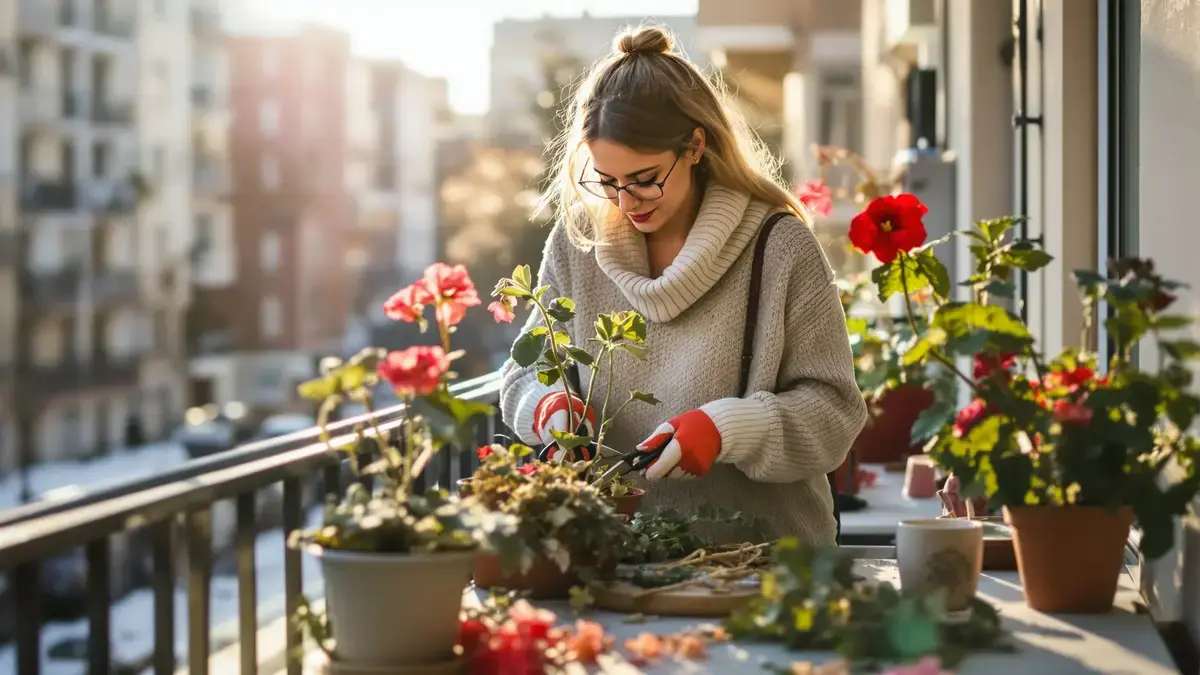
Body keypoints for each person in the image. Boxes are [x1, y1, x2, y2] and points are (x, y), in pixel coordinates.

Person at [498, 25, 867, 545]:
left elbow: (834, 414)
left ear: (695, 145)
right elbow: (521, 373)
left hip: (765, 567)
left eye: (645, 178)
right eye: (606, 181)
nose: (626, 201)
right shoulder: (577, 244)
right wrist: (549, 407)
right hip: (615, 559)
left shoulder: (778, 247)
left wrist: (729, 430)